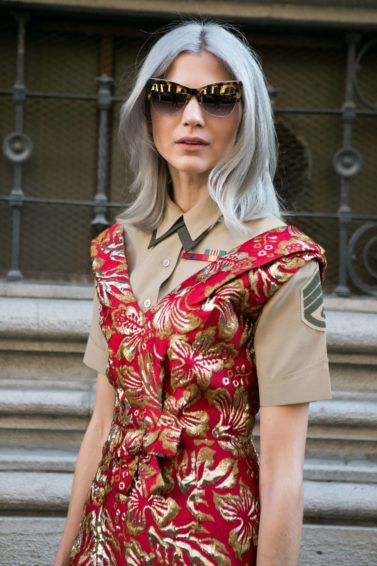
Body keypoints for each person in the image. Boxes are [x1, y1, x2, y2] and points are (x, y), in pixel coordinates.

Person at [55, 19, 331, 566]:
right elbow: (103, 425)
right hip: (105, 537)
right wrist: (65, 556)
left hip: (210, 539)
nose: (192, 116)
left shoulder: (280, 262)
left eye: (219, 99)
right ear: (146, 115)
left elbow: (284, 470)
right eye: (170, 96)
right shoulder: (114, 250)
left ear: (247, 117)